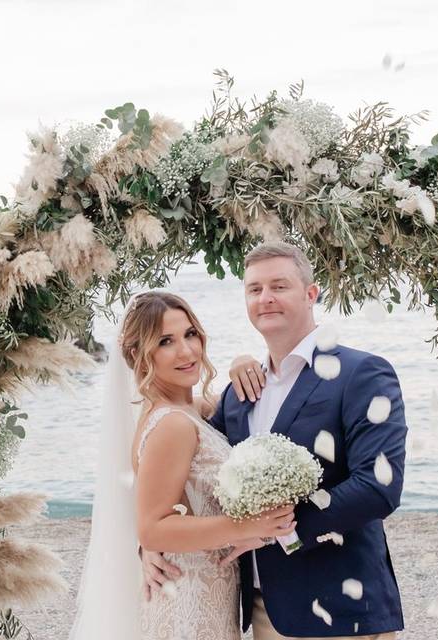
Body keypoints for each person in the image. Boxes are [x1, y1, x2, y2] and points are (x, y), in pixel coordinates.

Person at [142, 241, 408, 639]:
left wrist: (277, 529)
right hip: (264, 612)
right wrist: (151, 543)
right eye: (254, 289)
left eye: (279, 286)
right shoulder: (238, 392)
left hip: (341, 608)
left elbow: (379, 487)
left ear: (311, 293)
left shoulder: (363, 374)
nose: (265, 298)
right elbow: (185, 475)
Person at [68, 291, 295, 640]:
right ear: (138, 356)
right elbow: (153, 529)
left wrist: (244, 362)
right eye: (165, 342)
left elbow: (234, 406)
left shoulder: (190, 411)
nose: (187, 351)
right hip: (187, 598)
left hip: (207, 593)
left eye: (190, 334)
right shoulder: (171, 424)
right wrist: (247, 525)